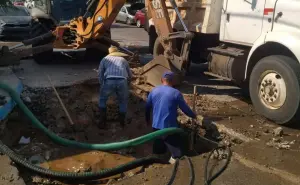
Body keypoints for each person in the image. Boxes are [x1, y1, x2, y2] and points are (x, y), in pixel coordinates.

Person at [145, 71, 197, 163]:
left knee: (158, 151)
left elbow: (147, 107)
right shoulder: (176, 93)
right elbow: (185, 109)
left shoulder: (154, 91)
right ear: (173, 81)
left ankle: (157, 166)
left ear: (161, 80)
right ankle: (171, 167)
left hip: (156, 127)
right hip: (169, 128)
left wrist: (147, 120)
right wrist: (194, 115)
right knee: (177, 154)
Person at [98, 46, 132, 128]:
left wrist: (101, 83)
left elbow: (100, 73)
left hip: (109, 81)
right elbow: (130, 74)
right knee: (123, 101)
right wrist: (128, 82)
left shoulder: (105, 59)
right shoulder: (123, 60)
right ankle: (122, 123)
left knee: (102, 100)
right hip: (122, 81)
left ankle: (102, 122)